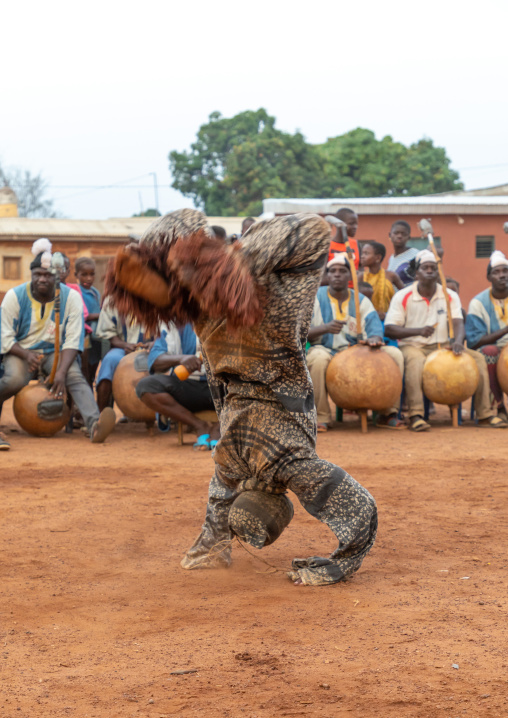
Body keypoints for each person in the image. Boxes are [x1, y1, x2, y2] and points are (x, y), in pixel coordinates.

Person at [104, 209, 378, 587]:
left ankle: (199, 269)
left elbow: (360, 511)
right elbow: (360, 511)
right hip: (253, 362)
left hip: (249, 360)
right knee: (239, 281)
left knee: (259, 269)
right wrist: (335, 565)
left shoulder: (259, 461)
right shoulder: (259, 461)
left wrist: (340, 561)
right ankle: (203, 269)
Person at [0, 239, 115, 450]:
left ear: (57, 277)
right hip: (20, 351)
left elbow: (73, 339)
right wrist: (26, 355)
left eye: (48, 275)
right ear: (31, 275)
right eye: (38, 275)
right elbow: (5, 338)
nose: (43, 279)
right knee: (13, 379)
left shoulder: (71, 297)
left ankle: (94, 425)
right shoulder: (14, 297)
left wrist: (61, 372)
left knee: (74, 376)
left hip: (55, 352)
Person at [385, 249, 507, 431]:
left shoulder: (449, 295)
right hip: (413, 346)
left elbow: (458, 323)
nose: (429, 271)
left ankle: (484, 415)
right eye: (425, 268)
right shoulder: (403, 296)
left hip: (444, 347)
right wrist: (417, 331)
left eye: (433, 268)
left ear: (438, 271)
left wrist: (458, 341)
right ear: (417, 273)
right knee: (415, 362)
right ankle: (416, 415)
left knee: (479, 359)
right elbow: (390, 329)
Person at [307, 254, 404, 431]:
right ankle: (322, 416)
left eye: (342, 271)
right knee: (317, 358)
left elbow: (375, 329)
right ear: (327, 276)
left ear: (350, 277)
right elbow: (301, 333)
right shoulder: (315, 299)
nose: (337, 275)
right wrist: (325, 328)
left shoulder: (361, 300)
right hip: (327, 351)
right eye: (332, 271)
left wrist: (374, 338)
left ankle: (388, 413)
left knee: (395, 354)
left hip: (358, 353)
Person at [136, 322, 220, 449]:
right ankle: (199, 426)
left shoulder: (228, 318)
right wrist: (181, 359)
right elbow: (155, 360)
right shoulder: (175, 322)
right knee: (146, 386)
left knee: (255, 387)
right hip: (188, 387)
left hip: (224, 387)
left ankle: (219, 428)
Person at [465, 250, 508, 419]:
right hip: (494, 349)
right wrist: (505, 331)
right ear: (489, 278)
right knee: (489, 352)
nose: (502, 275)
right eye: (496, 272)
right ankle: (498, 408)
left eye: (505, 271)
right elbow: (474, 342)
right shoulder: (478, 303)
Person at [95, 300, 150, 412]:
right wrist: (126, 345)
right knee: (109, 361)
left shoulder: (156, 298)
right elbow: (109, 334)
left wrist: (153, 345)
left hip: (152, 349)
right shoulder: (112, 300)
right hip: (122, 349)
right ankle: (101, 414)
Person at [75, 257, 103, 386]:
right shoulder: (76, 292)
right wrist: (101, 315)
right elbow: (83, 315)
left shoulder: (95, 292)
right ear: (76, 275)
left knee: (94, 362)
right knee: (85, 366)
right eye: (84, 275)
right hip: (85, 334)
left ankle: (91, 381)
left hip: (97, 334)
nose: (89, 278)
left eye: (92, 274)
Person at [359, 241, 403, 319]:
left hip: (389, 318)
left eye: (366, 253)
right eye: (362, 253)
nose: (362, 256)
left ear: (378, 258)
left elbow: (405, 294)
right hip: (367, 319)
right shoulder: (361, 277)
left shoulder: (391, 275)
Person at [387, 221, 419, 286]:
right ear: (390, 235)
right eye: (396, 233)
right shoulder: (391, 259)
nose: (399, 236)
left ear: (409, 237)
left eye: (403, 234)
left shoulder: (416, 254)